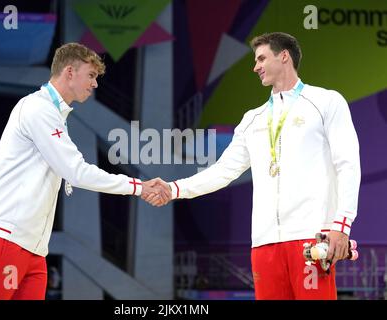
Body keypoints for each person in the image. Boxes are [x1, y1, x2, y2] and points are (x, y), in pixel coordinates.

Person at [144, 32, 361, 300]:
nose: (255, 66)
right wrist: (174, 188)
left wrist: (342, 225)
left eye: (261, 58)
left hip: (311, 237)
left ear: (284, 56)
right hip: (264, 243)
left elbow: (348, 164)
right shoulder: (252, 119)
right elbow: (222, 172)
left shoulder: (326, 102)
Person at [0, 43, 169, 300]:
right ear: (70, 72)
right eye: (91, 75)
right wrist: (138, 187)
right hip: (5, 233)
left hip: (33, 246)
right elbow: (77, 172)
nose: (95, 84)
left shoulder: (54, 115)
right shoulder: (37, 109)